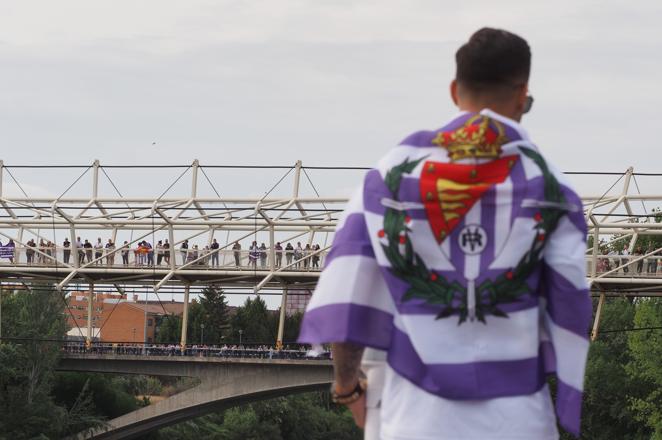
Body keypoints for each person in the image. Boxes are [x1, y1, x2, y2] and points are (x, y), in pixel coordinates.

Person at [299, 28, 592, 440]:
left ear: (455, 90)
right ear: (523, 91)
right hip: (518, 418)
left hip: (413, 417)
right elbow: (570, 301)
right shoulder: (551, 185)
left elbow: (348, 295)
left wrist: (347, 391)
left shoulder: (389, 176)